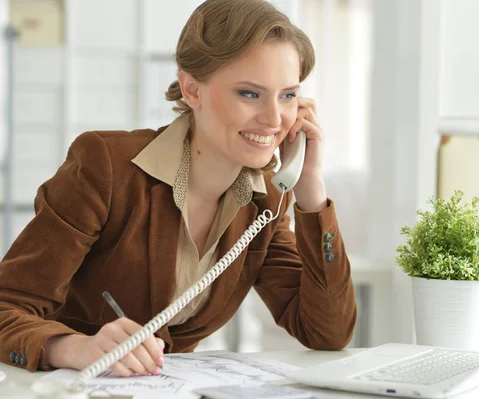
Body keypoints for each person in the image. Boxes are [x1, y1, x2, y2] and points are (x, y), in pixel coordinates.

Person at [0, 0, 356, 377]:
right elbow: (6, 308)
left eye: (287, 95)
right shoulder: (105, 166)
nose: (273, 118)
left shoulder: (266, 198)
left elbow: (327, 332)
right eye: (250, 93)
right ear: (193, 90)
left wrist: (311, 190)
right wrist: (76, 348)